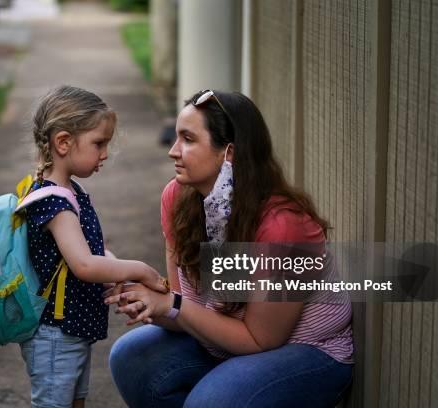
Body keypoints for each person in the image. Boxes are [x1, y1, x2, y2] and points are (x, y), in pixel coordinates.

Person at [105, 90, 354, 407]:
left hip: (305, 350)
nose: (173, 151)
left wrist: (173, 304)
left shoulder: (283, 226)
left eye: (188, 139)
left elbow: (260, 340)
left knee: (211, 402)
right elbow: (184, 310)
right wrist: (147, 298)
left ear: (229, 153)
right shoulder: (178, 197)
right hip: (224, 343)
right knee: (132, 358)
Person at [19, 85, 168, 408]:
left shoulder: (67, 190)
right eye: (99, 143)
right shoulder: (55, 203)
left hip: (70, 329)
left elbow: (91, 254)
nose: (104, 154)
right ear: (63, 142)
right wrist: (139, 269)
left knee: (76, 402)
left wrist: (115, 272)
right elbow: (84, 265)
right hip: (56, 334)